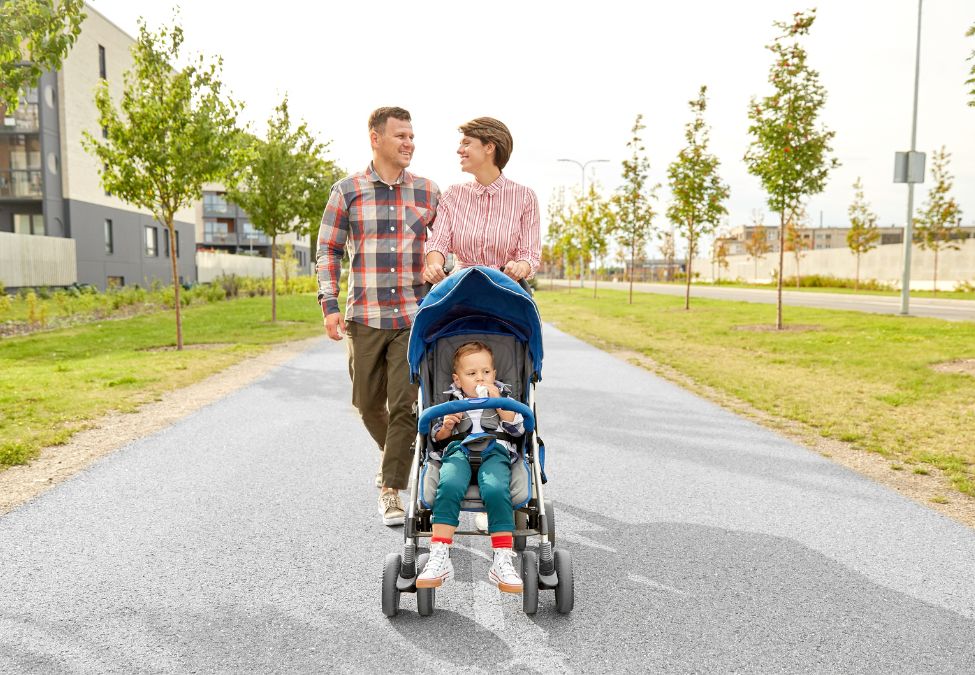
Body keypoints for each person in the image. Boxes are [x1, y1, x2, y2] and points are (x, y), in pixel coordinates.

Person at [316, 107, 439, 526]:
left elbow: (446, 246)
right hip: (364, 315)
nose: (409, 143)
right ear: (376, 138)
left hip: (411, 314)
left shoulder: (428, 192)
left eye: (412, 136)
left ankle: (391, 489)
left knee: (404, 405)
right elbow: (328, 251)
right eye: (401, 135)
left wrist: (443, 268)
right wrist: (329, 304)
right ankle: (398, 459)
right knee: (366, 404)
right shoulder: (347, 191)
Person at [416, 341, 525, 593]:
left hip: (496, 451)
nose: (480, 378)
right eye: (472, 373)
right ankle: (440, 553)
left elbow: (519, 429)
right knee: (450, 484)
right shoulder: (450, 402)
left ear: (494, 374)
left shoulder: (503, 398)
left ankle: (502, 559)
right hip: (458, 450)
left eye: (486, 372)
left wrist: (500, 404)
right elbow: (435, 439)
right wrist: (445, 427)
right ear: (457, 379)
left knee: (497, 489)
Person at [421, 117, 540, 287]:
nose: (459, 150)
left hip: (505, 290)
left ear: (489, 147)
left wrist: (519, 268)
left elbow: (529, 254)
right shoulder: (452, 195)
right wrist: (434, 266)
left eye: (466, 143)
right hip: (460, 289)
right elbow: (439, 241)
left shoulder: (525, 197)